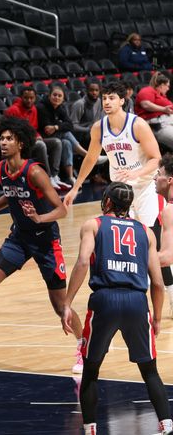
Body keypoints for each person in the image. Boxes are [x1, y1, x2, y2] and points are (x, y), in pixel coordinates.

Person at [0, 117, 83, 375]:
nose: (3, 142)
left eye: (9, 138)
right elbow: (8, 195)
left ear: (20, 143)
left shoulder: (35, 172)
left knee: (60, 305)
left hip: (46, 241)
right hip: (19, 238)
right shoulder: (0, 168)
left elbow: (61, 209)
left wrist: (39, 218)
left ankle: (82, 347)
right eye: (2, 138)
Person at [62, 182, 173, 435]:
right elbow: (157, 282)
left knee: (91, 370)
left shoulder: (94, 224)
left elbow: (81, 263)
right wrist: (156, 317)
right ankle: (167, 426)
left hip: (105, 300)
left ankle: (90, 429)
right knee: (150, 371)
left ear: (108, 203)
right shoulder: (146, 232)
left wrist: (67, 303)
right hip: (136, 302)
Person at [64, 81, 163, 227]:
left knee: (148, 235)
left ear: (122, 101)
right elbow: (91, 158)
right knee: (123, 236)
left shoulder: (138, 125)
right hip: (120, 189)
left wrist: (136, 173)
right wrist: (74, 188)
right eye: (104, 98)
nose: (107, 102)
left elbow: (156, 159)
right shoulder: (98, 128)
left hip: (144, 186)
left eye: (112, 98)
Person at [4, 85, 64, 189]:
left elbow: (34, 129)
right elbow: (9, 132)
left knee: (57, 142)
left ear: (35, 98)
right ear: (21, 97)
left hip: (31, 140)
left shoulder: (34, 109)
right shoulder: (12, 110)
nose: (29, 100)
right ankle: (47, 178)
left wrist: (38, 135)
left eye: (31, 98)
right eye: (26, 98)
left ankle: (54, 176)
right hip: (18, 143)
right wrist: (32, 138)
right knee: (40, 145)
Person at [37, 84, 89, 187]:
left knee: (66, 142)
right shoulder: (41, 107)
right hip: (41, 137)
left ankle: (68, 177)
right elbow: (47, 129)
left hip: (55, 136)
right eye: (54, 95)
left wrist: (56, 127)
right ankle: (86, 155)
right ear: (49, 96)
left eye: (59, 96)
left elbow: (70, 125)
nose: (57, 97)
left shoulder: (60, 107)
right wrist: (59, 126)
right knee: (66, 134)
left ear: (63, 98)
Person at [151, 154, 173, 313]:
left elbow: (166, 258)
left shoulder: (169, 211)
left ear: (170, 180)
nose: (154, 178)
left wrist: (130, 258)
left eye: (158, 174)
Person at [135, 71, 173, 151]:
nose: (168, 89)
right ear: (162, 85)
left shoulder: (161, 95)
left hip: (168, 122)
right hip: (158, 125)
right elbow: (145, 104)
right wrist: (163, 109)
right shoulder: (148, 90)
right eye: (167, 86)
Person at [70, 79, 104, 146]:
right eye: (91, 90)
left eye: (96, 90)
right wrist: (87, 129)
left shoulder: (99, 101)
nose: (94, 92)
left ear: (99, 91)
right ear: (86, 91)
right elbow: (72, 126)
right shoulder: (79, 104)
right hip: (80, 134)